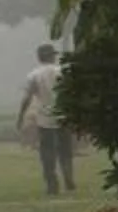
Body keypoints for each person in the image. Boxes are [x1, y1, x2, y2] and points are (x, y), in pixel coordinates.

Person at [17, 42, 75, 195]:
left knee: (47, 153)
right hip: (64, 115)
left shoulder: (34, 75)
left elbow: (27, 98)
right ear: (52, 56)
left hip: (44, 118)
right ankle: (69, 180)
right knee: (66, 151)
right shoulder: (63, 72)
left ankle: (52, 185)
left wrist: (21, 116)